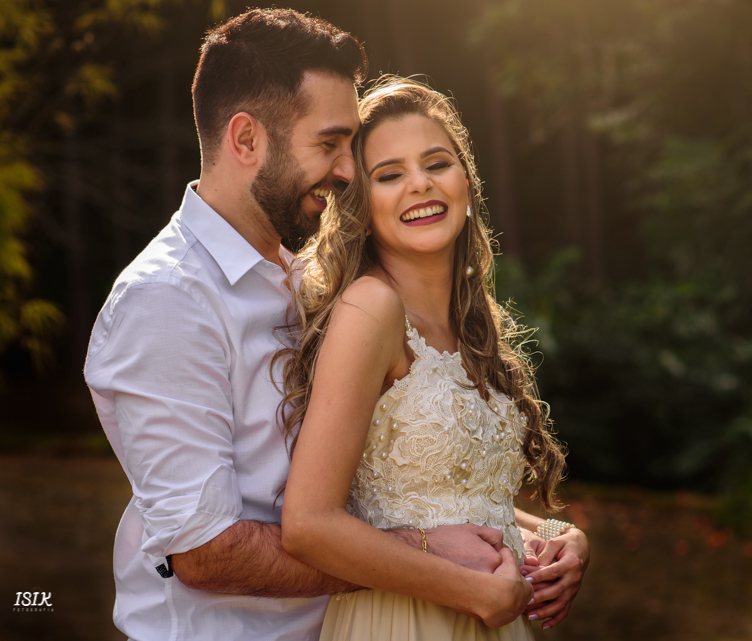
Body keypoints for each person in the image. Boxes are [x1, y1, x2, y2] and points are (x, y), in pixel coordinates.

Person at [84, 8, 588, 640]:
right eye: (329, 144)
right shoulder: (165, 303)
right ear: (246, 140)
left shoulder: (306, 281)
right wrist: (424, 555)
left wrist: (550, 536)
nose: (347, 170)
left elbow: (400, 484)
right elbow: (205, 552)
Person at [277, 76, 583, 639]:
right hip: (405, 621)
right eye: (389, 175)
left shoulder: (470, 325)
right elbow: (308, 525)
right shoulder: (371, 310)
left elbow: (455, 499)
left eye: (436, 164)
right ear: (361, 205)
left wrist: (559, 534)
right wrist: (472, 591)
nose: (419, 184)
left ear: (465, 183)